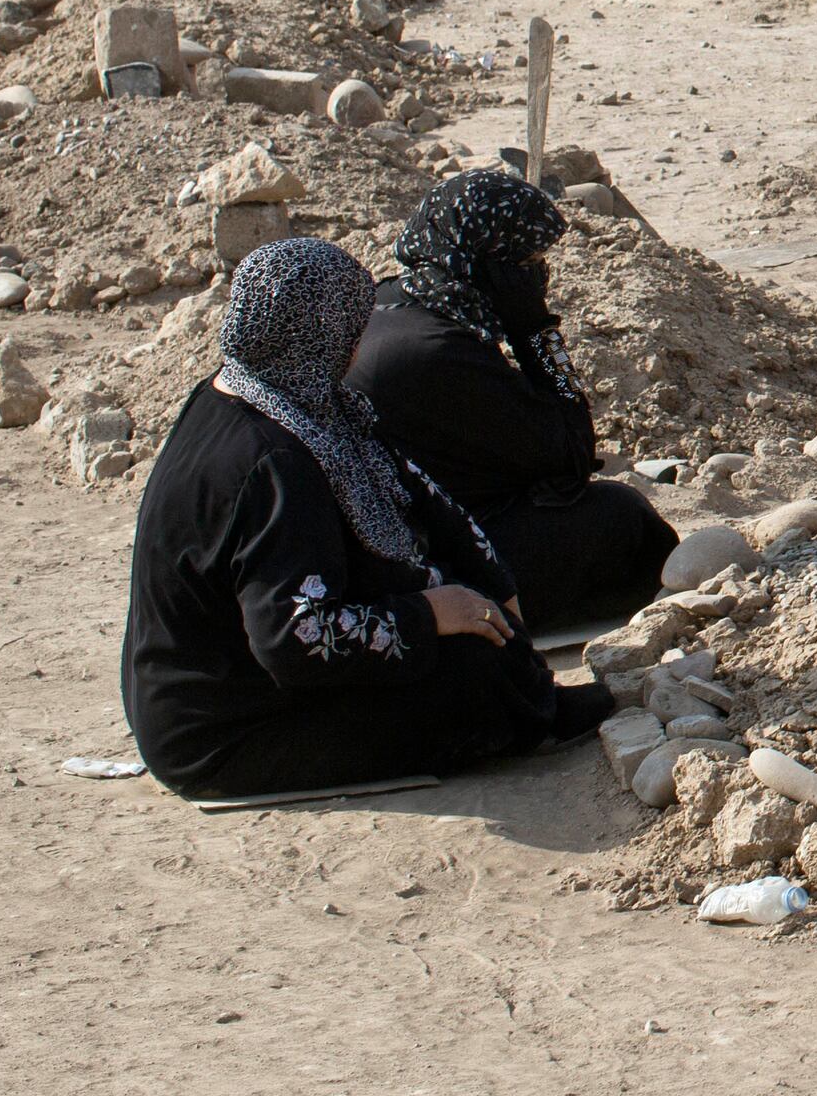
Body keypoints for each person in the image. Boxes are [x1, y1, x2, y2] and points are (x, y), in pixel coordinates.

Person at [122, 238, 603, 801]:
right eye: (352, 332)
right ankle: (529, 712)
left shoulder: (273, 397)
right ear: (319, 337)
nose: (359, 347)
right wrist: (427, 613)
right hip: (224, 734)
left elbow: (423, 497)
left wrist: (492, 585)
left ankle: (522, 688)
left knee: (474, 617)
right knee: (471, 670)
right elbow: (292, 639)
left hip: (223, 697)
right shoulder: (274, 462)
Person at [349, 167, 678, 634]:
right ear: (489, 261)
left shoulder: (390, 301)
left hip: (392, 537)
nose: (537, 275)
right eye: (526, 262)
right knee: (621, 517)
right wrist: (535, 332)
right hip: (429, 570)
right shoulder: (439, 351)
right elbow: (572, 454)